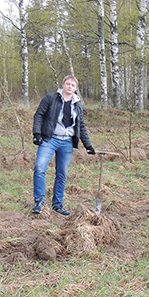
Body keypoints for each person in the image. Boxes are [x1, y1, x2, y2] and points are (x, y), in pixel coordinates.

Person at [32, 75, 95, 215]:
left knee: (62, 174)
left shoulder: (78, 104)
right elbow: (39, 115)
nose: (70, 86)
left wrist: (88, 145)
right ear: (63, 85)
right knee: (39, 168)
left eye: (73, 85)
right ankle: (39, 202)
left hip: (67, 142)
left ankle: (57, 204)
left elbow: (81, 125)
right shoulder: (51, 98)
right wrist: (37, 133)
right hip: (50, 139)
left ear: (76, 88)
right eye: (68, 84)